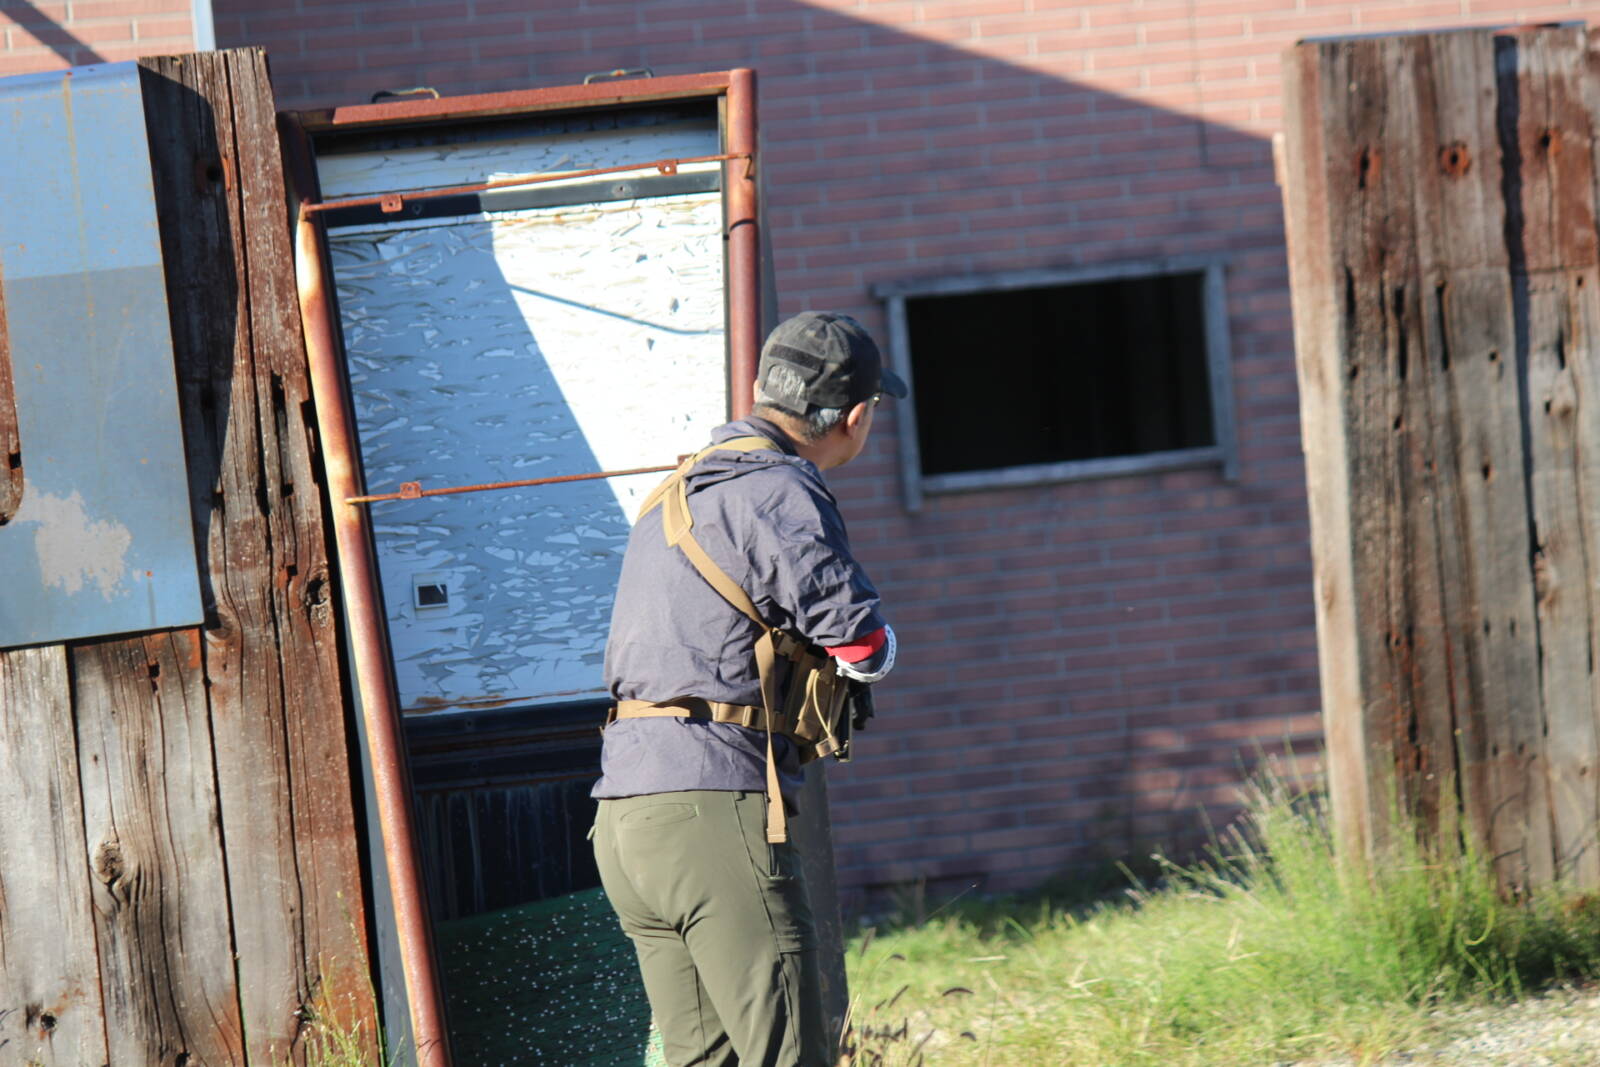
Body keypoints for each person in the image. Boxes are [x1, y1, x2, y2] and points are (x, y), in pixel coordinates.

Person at [592, 310, 905, 1066]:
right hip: (712, 815)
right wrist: (881, 649)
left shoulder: (678, 489)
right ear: (855, 417)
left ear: (766, 389)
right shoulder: (778, 489)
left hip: (626, 820)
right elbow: (859, 643)